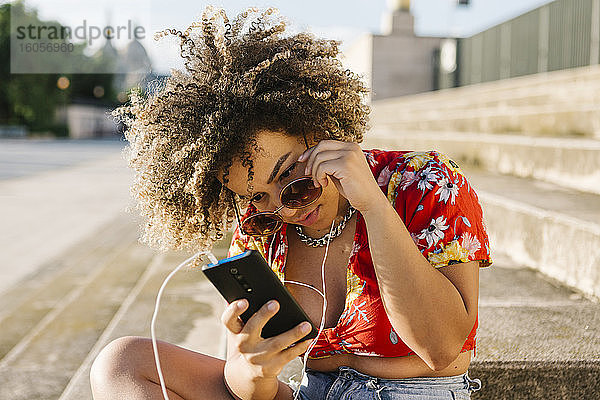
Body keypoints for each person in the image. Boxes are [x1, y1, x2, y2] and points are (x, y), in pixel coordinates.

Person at [90, 5, 492, 400]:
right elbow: (249, 390)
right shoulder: (260, 228)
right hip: (312, 392)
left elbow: (440, 350)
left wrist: (373, 205)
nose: (285, 209)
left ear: (318, 130)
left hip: (413, 391)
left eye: (288, 176)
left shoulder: (424, 182)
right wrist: (253, 369)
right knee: (121, 363)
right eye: (257, 197)